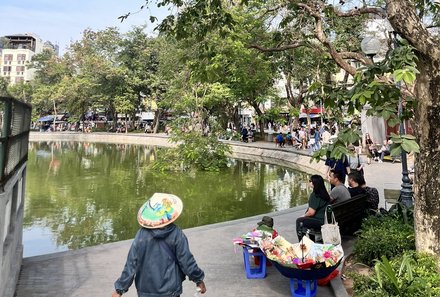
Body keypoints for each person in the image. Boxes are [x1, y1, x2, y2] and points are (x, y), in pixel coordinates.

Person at [112, 193, 206, 297]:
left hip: (145, 291)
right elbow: (187, 261)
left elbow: (131, 264)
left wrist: (120, 289)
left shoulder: (141, 234)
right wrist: (199, 280)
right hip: (170, 291)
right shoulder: (176, 234)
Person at [296, 175, 331, 241]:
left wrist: (304, 215)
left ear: (314, 183)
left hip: (320, 222)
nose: (309, 182)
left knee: (299, 221)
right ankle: (311, 241)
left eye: (310, 181)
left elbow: (311, 213)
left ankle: (301, 244)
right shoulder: (324, 193)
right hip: (325, 219)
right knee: (306, 220)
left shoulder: (315, 195)